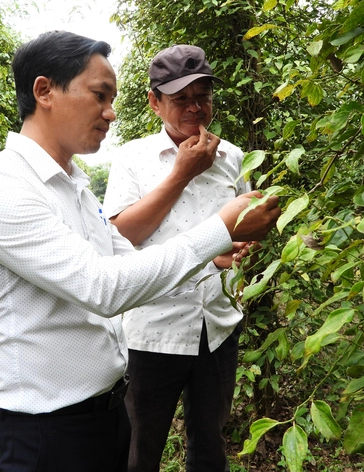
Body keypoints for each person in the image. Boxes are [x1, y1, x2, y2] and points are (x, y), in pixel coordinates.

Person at [0, 31, 280, 472]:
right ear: (44, 91)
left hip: (101, 411)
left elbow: (124, 259)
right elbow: (104, 287)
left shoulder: (75, 186)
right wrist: (218, 231)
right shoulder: (1, 189)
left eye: (113, 98)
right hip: (40, 432)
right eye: (100, 95)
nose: (110, 112)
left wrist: (219, 251)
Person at [103, 44, 252, 472]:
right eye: (181, 98)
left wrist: (241, 249)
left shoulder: (233, 158)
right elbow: (125, 232)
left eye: (202, 96)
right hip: (153, 329)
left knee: (209, 444)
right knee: (140, 447)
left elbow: (241, 227)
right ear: (154, 102)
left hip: (217, 325)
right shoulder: (132, 158)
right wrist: (183, 171)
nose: (194, 107)